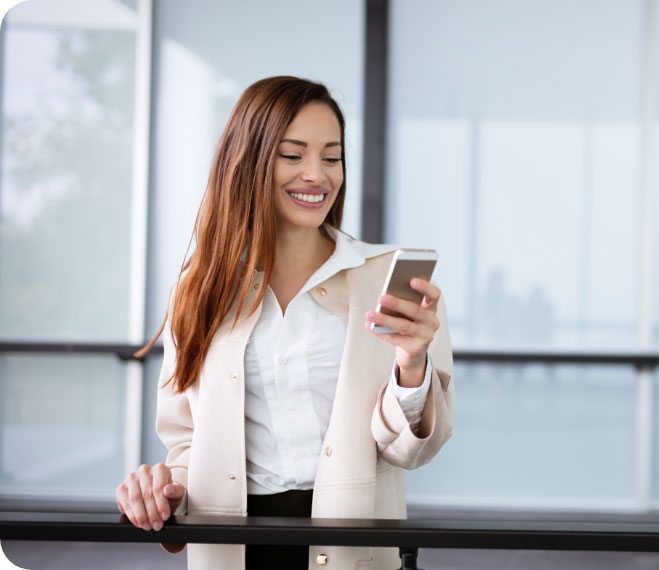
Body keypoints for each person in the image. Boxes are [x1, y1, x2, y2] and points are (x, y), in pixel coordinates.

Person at [115, 76, 454, 570]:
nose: (316, 174)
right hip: (235, 547)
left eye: (331, 157)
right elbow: (187, 441)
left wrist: (412, 364)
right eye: (292, 156)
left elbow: (408, 452)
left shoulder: (384, 280)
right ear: (248, 162)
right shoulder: (201, 289)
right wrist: (160, 490)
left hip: (349, 547)